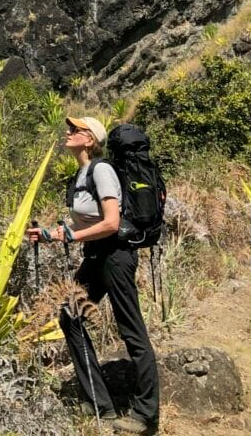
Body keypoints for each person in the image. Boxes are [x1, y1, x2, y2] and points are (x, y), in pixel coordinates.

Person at [28, 115, 159, 433]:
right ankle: (100, 404)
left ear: (90, 139)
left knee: (132, 331)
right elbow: (86, 224)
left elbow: (112, 222)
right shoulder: (82, 173)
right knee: (70, 317)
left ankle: (146, 415)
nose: (68, 133)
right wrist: (50, 234)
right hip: (97, 256)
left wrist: (73, 237)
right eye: (69, 129)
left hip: (116, 257)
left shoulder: (101, 170)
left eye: (75, 130)